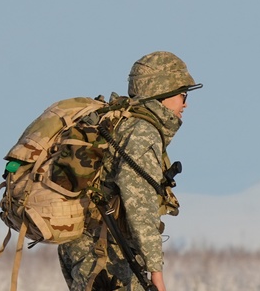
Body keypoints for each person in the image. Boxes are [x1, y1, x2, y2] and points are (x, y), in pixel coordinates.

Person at [58, 51, 202, 291]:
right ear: (162, 93)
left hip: (83, 247)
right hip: (106, 254)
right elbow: (140, 205)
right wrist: (156, 271)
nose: (185, 103)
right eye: (182, 94)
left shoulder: (121, 123)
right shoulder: (142, 132)